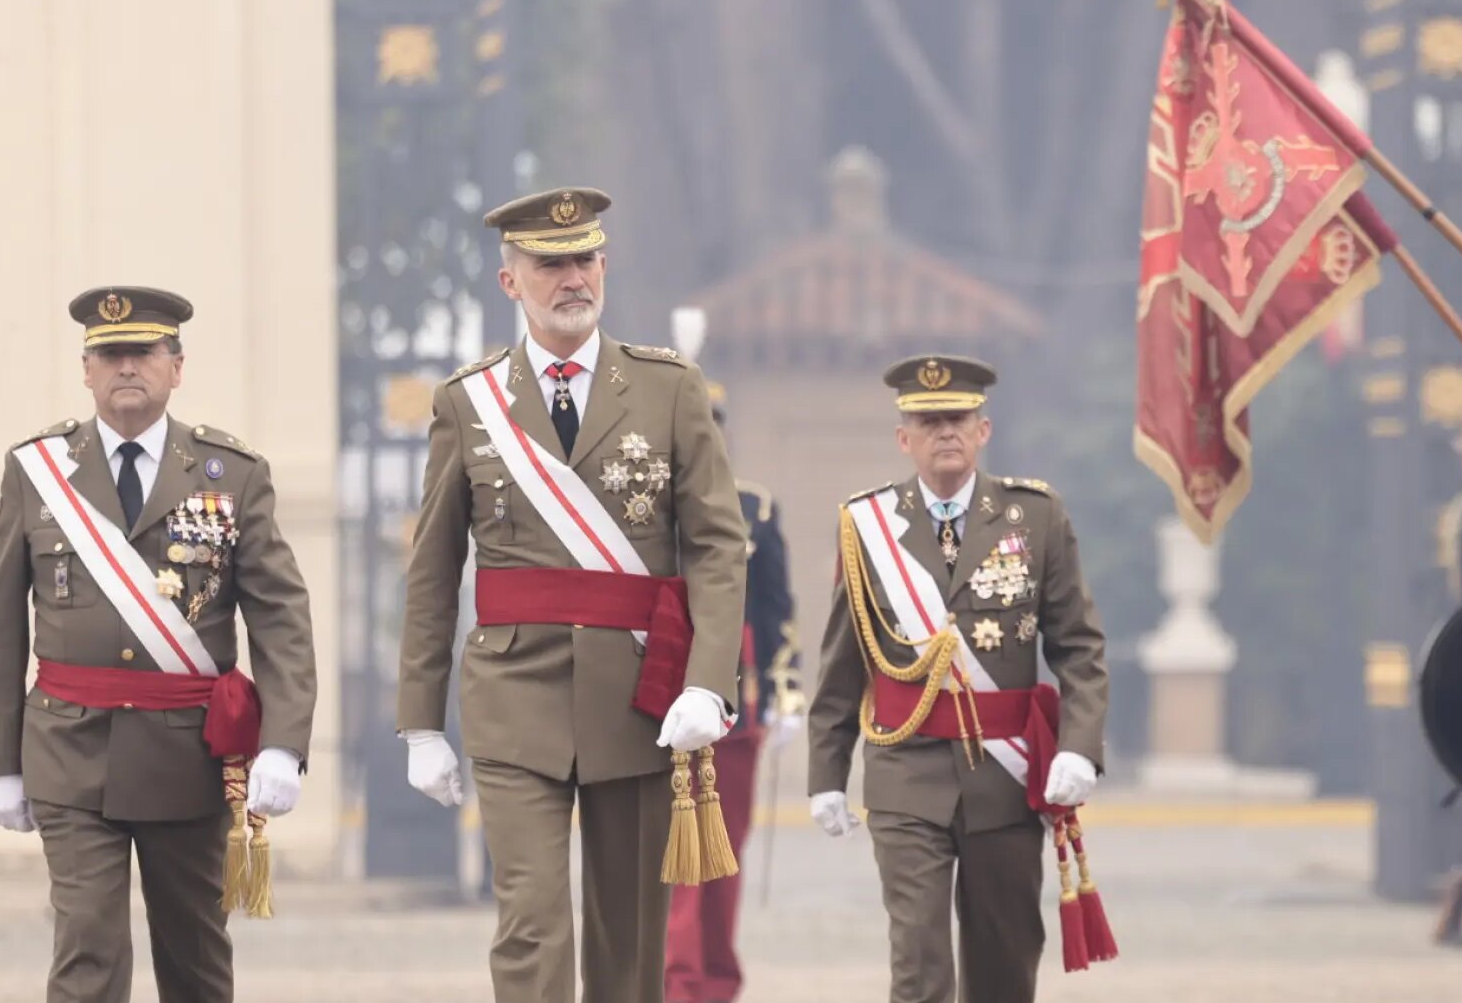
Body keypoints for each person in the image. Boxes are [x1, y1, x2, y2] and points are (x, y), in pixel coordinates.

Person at [394, 187, 749, 1003]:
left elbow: (718, 546)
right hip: (515, 695)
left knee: (629, 941)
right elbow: (435, 569)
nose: (571, 279)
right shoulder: (469, 402)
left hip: (640, 695)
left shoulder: (669, 389)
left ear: (605, 265)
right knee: (532, 925)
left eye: (584, 259)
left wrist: (708, 681)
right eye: (549, 264)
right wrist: (420, 721)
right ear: (509, 280)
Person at [0, 286, 317, 1003]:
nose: (128, 366)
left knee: (194, 959)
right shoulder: (37, 472)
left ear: (176, 367)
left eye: (145, 352)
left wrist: (283, 743)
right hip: (69, 750)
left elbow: (280, 614)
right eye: (111, 354)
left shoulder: (233, 474)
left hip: (189, 755)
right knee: (87, 950)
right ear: (87, 370)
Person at [808, 354, 1111, 1003]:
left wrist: (1080, 746)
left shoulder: (1037, 518)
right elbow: (842, 661)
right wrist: (826, 775)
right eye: (929, 420)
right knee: (919, 959)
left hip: (1002, 776)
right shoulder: (867, 527)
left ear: (984, 431)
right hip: (904, 772)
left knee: (1003, 960)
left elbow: (1079, 647)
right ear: (904, 438)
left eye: (959, 418)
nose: (946, 430)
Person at [664, 372, 806, 1003]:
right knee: (666, 861)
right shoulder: (641, 503)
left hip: (733, 709)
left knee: (719, 859)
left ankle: (712, 983)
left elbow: (777, 612)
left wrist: (785, 694)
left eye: (711, 429)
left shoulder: (755, 509)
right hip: (655, 705)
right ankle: (673, 983)